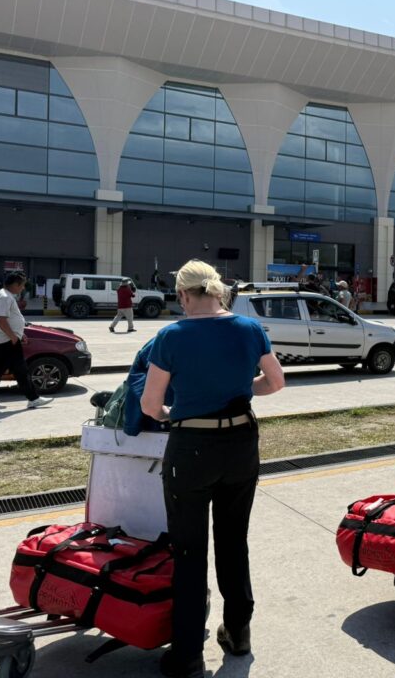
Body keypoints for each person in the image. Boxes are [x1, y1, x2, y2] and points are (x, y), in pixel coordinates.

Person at [141, 260, 285, 678]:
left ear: (185, 295)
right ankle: (238, 632)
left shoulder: (170, 336)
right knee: (233, 540)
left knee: (188, 551)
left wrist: (174, 413)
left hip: (192, 449)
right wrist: (241, 390)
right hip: (241, 444)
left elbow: (151, 405)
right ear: (219, 292)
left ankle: (187, 653)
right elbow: (276, 383)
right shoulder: (249, 328)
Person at [0, 271, 52, 410]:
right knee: (18, 370)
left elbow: (7, 319)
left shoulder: (2, 294)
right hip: (6, 341)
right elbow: (1, 319)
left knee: (9, 370)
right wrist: (14, 337)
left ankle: (33, 398)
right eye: (22, 285)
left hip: (4, 340)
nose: (23, 288)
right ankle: (33, 399)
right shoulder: (5, 297)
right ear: (15, 284)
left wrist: (20, 334)